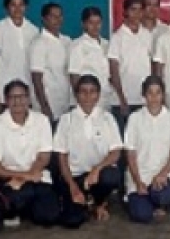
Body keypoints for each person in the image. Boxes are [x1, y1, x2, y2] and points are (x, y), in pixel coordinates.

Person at [0, 80, 61, 227]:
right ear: (6, 100)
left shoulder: (41, 120)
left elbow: (44, 157)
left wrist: (26, 177)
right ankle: (13, 209)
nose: (18, 101)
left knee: (50, 217)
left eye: (22, 96)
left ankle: (26, 210)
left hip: (36, 175)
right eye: (13, 97)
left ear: (28, 99)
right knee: (18, 197)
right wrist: (24, 176)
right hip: (7, 179)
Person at [53, 75, 123, 228]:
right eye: (83, 91)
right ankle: (88, 205)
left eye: (92, 91)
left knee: (111, 176)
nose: (87, 96)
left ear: (98, 95)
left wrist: (97, 169)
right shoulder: (66, 120)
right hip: (75, 178)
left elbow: (116, 152)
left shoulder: (107, 118)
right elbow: (62, 157)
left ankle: (99, 202)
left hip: (97, 177)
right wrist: (72, 186)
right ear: (76, 95)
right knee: (72, 221)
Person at [124, 76, 170, 223]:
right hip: (140, 174)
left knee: (162, 195)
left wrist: (163, 174)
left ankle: (158, 203)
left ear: (163, 95)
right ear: (144, 95)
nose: (154, 97)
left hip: (163, 175)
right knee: (142, 215)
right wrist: (138, 181)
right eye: (150, 93)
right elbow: (130, 153)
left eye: (158, 92)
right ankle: (143, 201)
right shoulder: (135, 118)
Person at [0, 0, 38, 116]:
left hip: (27, 94)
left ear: (26, 7)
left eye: (21, 4)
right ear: (6, 8)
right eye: (13, 5)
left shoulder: (33, 30)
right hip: (4, 95)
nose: (17, 9)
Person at [108, 0, 153, 130]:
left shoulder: (147, 34)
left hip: (144, 99)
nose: (137, 14)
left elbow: (150, 65)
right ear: (126, 12)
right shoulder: (117, 37)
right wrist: (122, 98)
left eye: (140, 10)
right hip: (123, 100)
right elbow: (113, 70)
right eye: (133, 10)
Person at [30, 2, 72, 123]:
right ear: (44, 19)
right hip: (48, 105)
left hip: (65, 103)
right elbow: (36, 78)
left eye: (60, 16)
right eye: (53, 16)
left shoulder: (67, 41)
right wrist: (44, 106)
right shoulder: (39, 43)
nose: (57, 19)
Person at [68, 6, 113, 110]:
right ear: (83, 24)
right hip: (86, 101)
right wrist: (81, 101)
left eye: (98, 22)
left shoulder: (106, 44)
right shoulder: (77, 45)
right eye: (91, 23)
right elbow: (74, 76)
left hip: (105, 99)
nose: (95, 26)